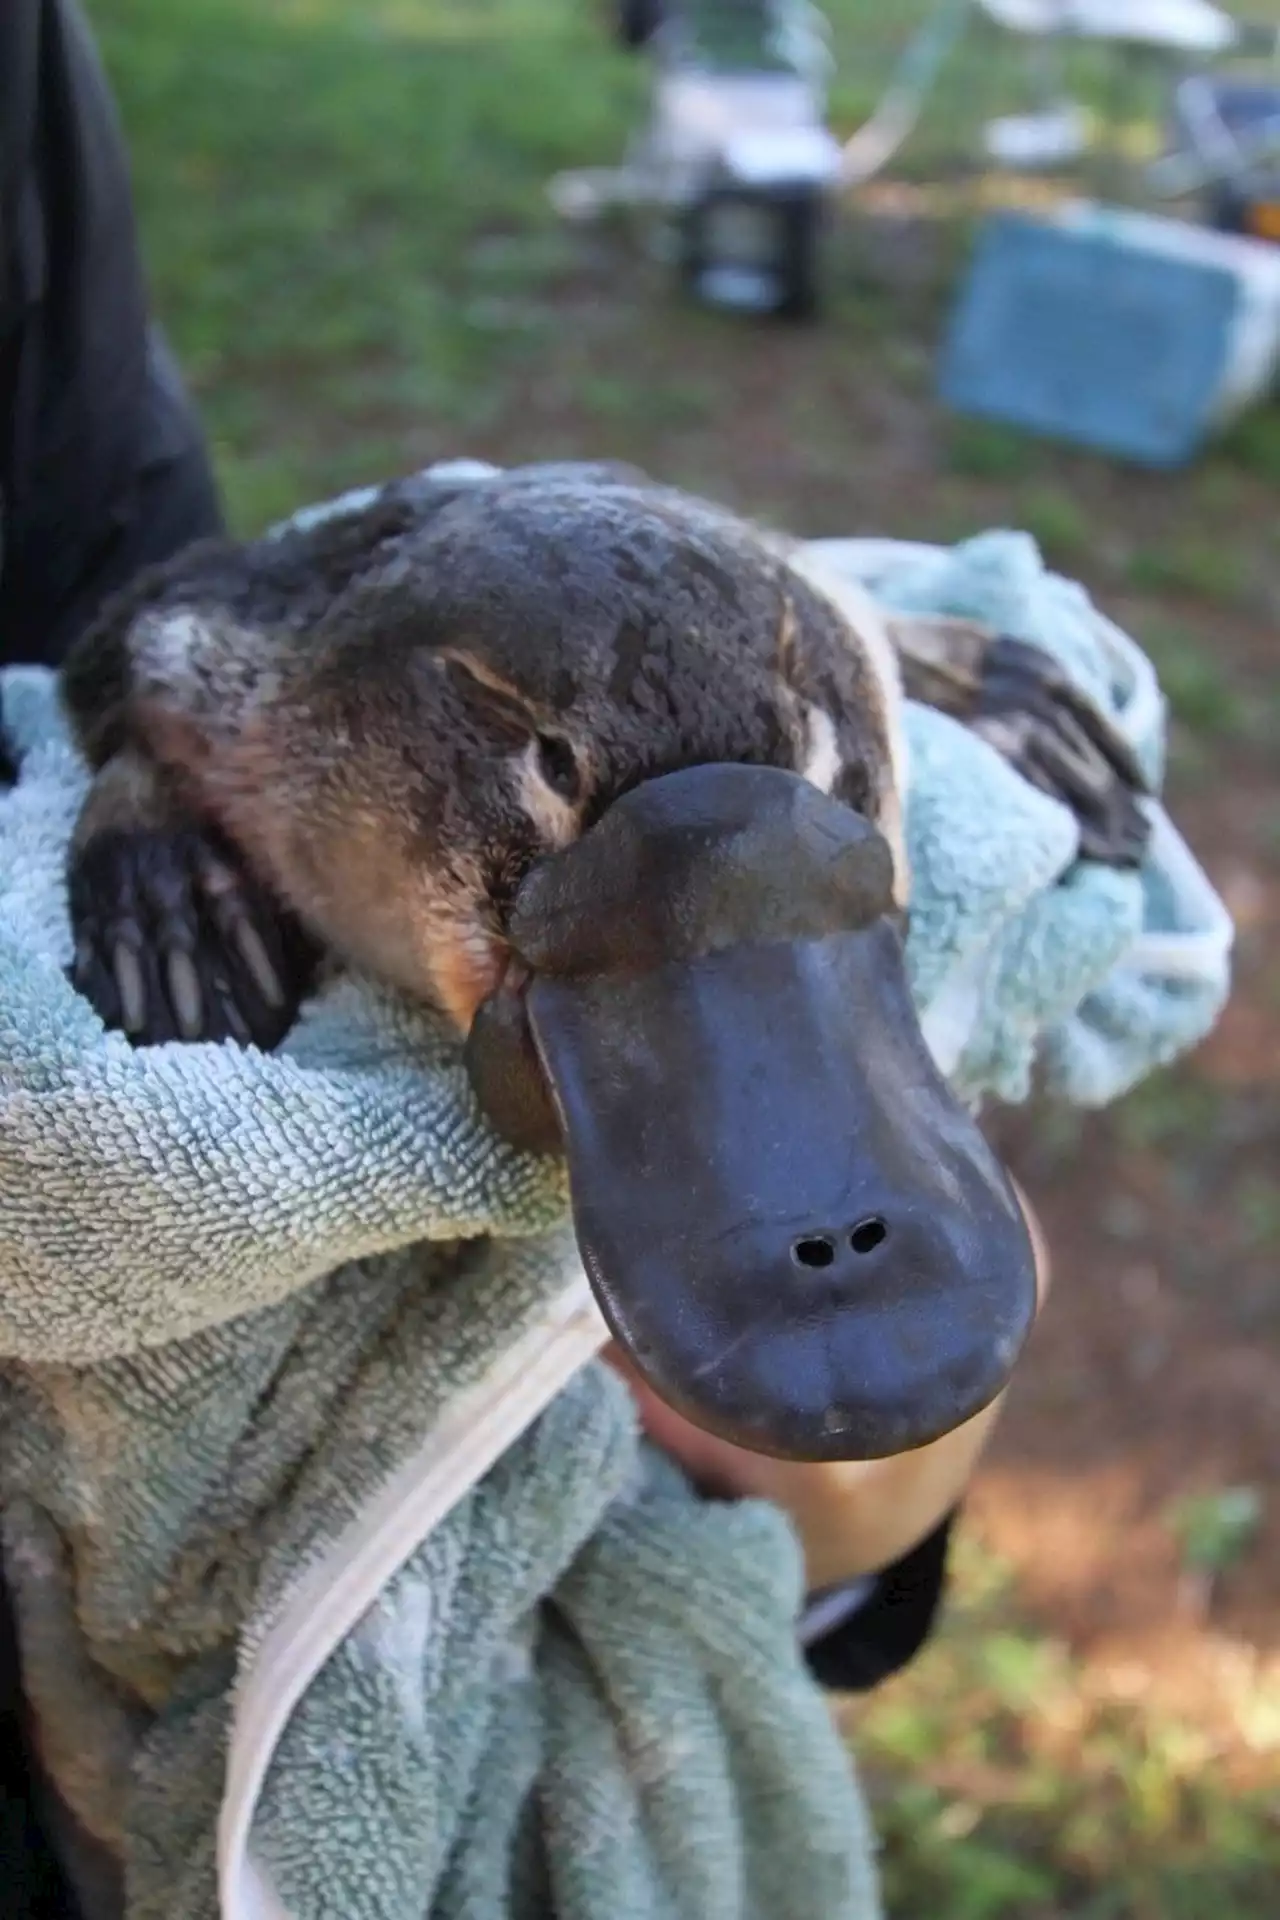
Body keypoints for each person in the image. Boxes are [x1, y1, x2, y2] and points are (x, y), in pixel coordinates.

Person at [0, 3, 1049, 1912]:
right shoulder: (286, 696)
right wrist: (143, 817)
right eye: (553, 786)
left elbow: (108, 536)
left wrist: (934, 679)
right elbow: (148, 646)